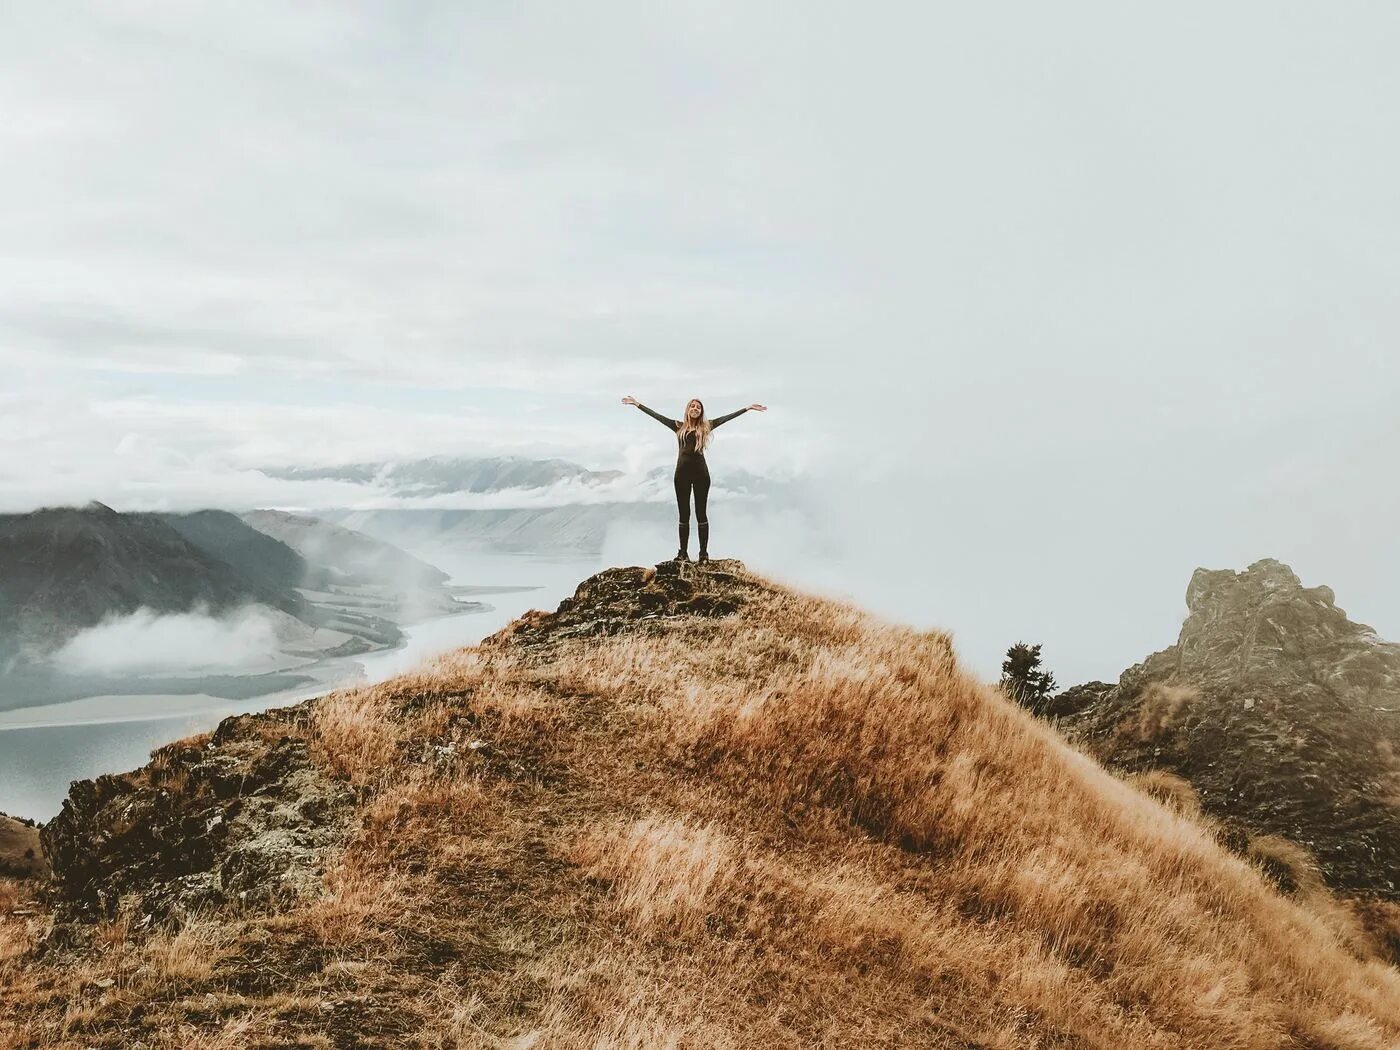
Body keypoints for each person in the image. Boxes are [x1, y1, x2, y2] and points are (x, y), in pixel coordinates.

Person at [622, 395, 767, 563]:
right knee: (684, 515)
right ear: (688, 409)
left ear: (701, 412)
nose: (695, 408)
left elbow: (726, 418)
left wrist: (747, 408)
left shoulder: (706, 427)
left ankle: (703, 554)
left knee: (701, 513)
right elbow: (657, 416)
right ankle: (683, 553)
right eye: (693, 406)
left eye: (698, 407)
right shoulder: (678, 426)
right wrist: (637, 404)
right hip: (681, 476)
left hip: (701, 476)